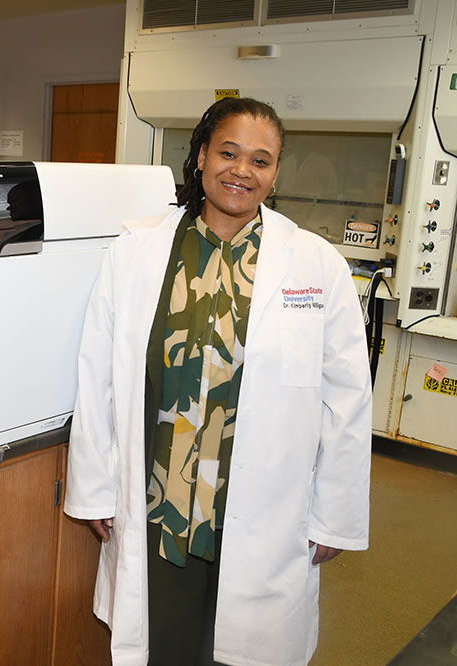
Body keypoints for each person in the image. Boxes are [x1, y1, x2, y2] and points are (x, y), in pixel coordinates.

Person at [64, 97, 371, 666]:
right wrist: (96, 486)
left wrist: (337, 512)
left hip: (263, 509)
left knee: (250, 651)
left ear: (275, 174)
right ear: (202, 156)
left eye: (261, 160)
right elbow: (98, 375)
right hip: (162, 506)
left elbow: (348, 399)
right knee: (165, 645)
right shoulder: (137, 251)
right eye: (229, 153)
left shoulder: (315, 264)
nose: (241, 171)